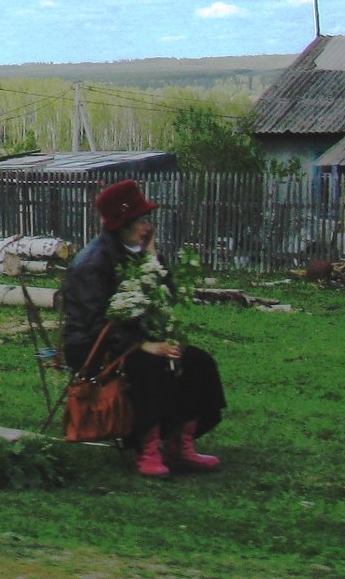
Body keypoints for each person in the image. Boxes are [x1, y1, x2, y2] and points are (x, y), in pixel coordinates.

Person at [62, 179, 227, 478]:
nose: (146, 227)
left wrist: (152, 255)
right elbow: (94, 321)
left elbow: (167, 296)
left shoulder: (140, 252)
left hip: (138, 337)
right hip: (92, 344)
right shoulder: (93, 262)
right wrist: (142, 345)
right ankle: (146, 450)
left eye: (147, 220)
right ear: (121, 223)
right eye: (140, 220)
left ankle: (180, 444)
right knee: (148, 366)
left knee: (197, 362)